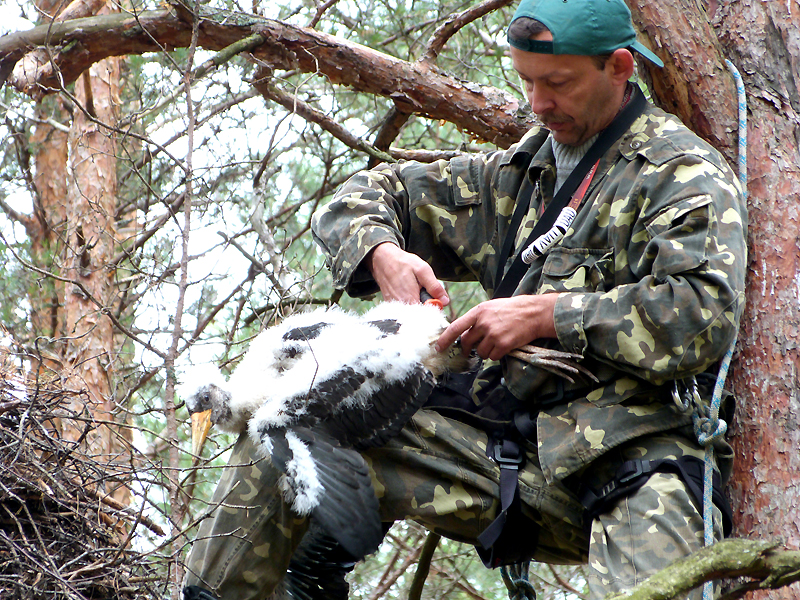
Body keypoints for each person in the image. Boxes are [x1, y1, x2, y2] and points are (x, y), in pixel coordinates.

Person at [182, 0, 747, 598]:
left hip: (633, 466)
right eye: (526, 80)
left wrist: (543, 315)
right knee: (283, 422)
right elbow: (363, 196)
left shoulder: (680, 173)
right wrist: (382, 253)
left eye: (557, 83)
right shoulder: (521, 175)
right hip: (501, 453)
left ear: (619, 67)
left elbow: (701, 312)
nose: (537, 103)